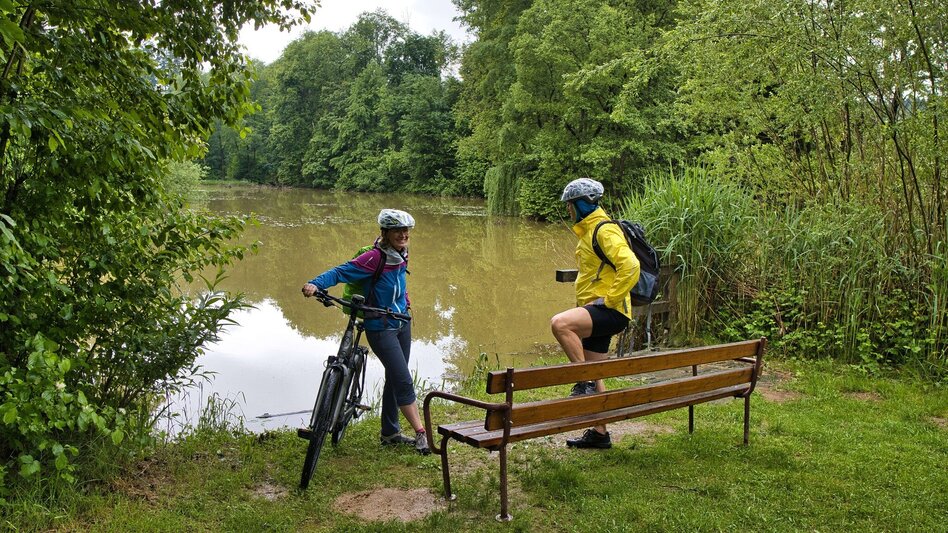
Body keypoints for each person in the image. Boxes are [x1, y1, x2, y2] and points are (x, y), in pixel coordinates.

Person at [301, 208, 430, 455]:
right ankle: (421, 433)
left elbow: (400, 284)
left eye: (406, 230)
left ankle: (390, 432)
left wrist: (407, 303)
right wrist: (316, 283)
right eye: (397, 231)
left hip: (402, 323)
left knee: (395, 376)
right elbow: (341, 271)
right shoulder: (374, 258)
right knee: (403, 379)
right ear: (386, 232)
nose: (403, 235)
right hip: (381, 328)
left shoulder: (402, 254)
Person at [550, 178, 639, 449]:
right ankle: (600, 433)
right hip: (598, 311)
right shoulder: (588, 231)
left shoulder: (603, 230)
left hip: (609, 311)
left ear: (580, 204)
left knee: (560, 324)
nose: (568, 211)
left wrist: (610, 300)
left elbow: (631, 266)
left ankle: (584, 380)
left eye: (570, 206)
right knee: (596, 371)